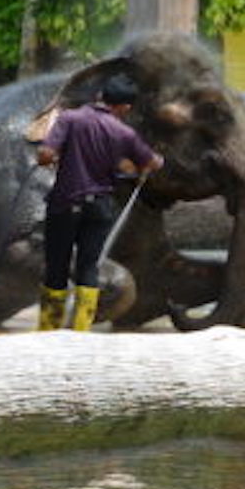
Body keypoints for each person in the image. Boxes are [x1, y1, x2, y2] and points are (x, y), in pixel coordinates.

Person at [35, 74, 163, 331]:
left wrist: (53, 158)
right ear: (125, 107)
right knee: (88, 267)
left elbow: (46, 154)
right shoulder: (123, 131)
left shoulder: (70, 118)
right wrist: (147, 163)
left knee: (56, 267)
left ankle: (48, 331)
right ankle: (81, 332)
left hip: (65, 204)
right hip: (99, 208)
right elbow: (153, 162)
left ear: (100, 96)